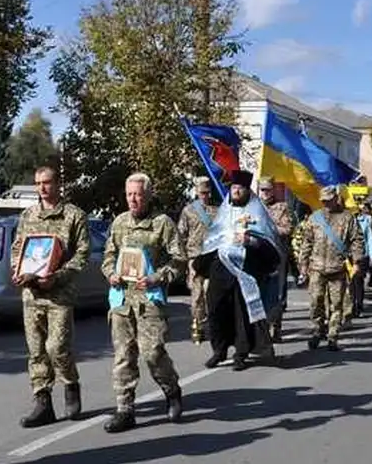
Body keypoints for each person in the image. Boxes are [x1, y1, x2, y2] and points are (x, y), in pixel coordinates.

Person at [101, 173, 186, 434]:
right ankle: (125, 409)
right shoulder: (119, 223)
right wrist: (110, 273)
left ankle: (172, 390)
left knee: (153, 353)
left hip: (149, 300)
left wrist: (157, 277)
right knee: (123, 356)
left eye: (138, 194)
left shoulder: (162, 224)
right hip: (122, 300)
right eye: (129, 194)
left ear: (148, 195)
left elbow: (179, 259)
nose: (133, 199)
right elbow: (108, 255)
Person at [11, 165, 91, 428]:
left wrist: (57, 276)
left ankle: (70, 384)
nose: (42, 188)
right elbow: (17, 249)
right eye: (37, 183)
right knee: (36, 351)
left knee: (57, 348)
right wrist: (18, 270)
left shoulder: (73, 216)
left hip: (59, 294)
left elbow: (82, 255)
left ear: (58, 184)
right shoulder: (28, 215)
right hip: (32, 295)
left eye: (46, 183)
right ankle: (42, 402)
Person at [194, 170, 285, 370]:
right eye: (234, 188)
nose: (236, 191)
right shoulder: (224, 210)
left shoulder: (257, 212)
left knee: (241, 312)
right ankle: (219, 350)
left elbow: (269, 242)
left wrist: (250, 241)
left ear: (246, 190)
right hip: (222, 268)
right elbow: (213, 237)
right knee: (216, 308)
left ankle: (241, 354)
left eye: (240, 188)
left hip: (246, 269)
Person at [296, 185, 366, 351]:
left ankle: (333, 335)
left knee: (336, 304)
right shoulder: (315, 218)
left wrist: (357, 262)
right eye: (323, 201)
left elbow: (357, 240)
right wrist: (303, 264)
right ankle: (318, 329)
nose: (326, 204)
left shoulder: (347, 218)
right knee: (315, 302)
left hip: (337, 268)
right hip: (317, 268)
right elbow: (307, 242)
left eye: (329, 200)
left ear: (336, 199)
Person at [177, 177, 218, 345]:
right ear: (196, 192)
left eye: (207, 192)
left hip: (212, 255)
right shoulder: (189, 211)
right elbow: (181, 235)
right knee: (197, 294)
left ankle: (211, 323)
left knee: (211, 292)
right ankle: (197, 324)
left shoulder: (217, 210)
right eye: (202, 193)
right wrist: (183, 259)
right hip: (195, 256)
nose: (205, 196)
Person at [258, 177, 296, 342]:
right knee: (258, 292)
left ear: (273, 190)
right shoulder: (253, 207)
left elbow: (288, 229)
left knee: (277, 292)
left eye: (268, 190)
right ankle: (260, 327)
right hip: (257, 254)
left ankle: (275, 326)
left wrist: (268, 228)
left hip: (276, 255)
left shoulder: (282, 207)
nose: (265, 193)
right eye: (262, 190)